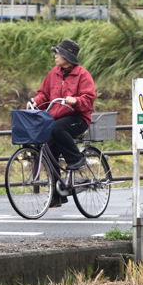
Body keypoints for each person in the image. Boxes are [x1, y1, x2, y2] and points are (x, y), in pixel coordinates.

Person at [32, 38, 96, 204]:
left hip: (78, 118)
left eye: (58, 53)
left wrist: (76, 100)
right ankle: (57, 193)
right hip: (56, 118)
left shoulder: (83, 75)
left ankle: (76, 159)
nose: (55, 56)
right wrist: (35, 101)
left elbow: (88, 98)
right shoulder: (53, 73)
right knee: (48, 149)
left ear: (67, 56)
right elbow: (44, 94)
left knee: (57, 128)